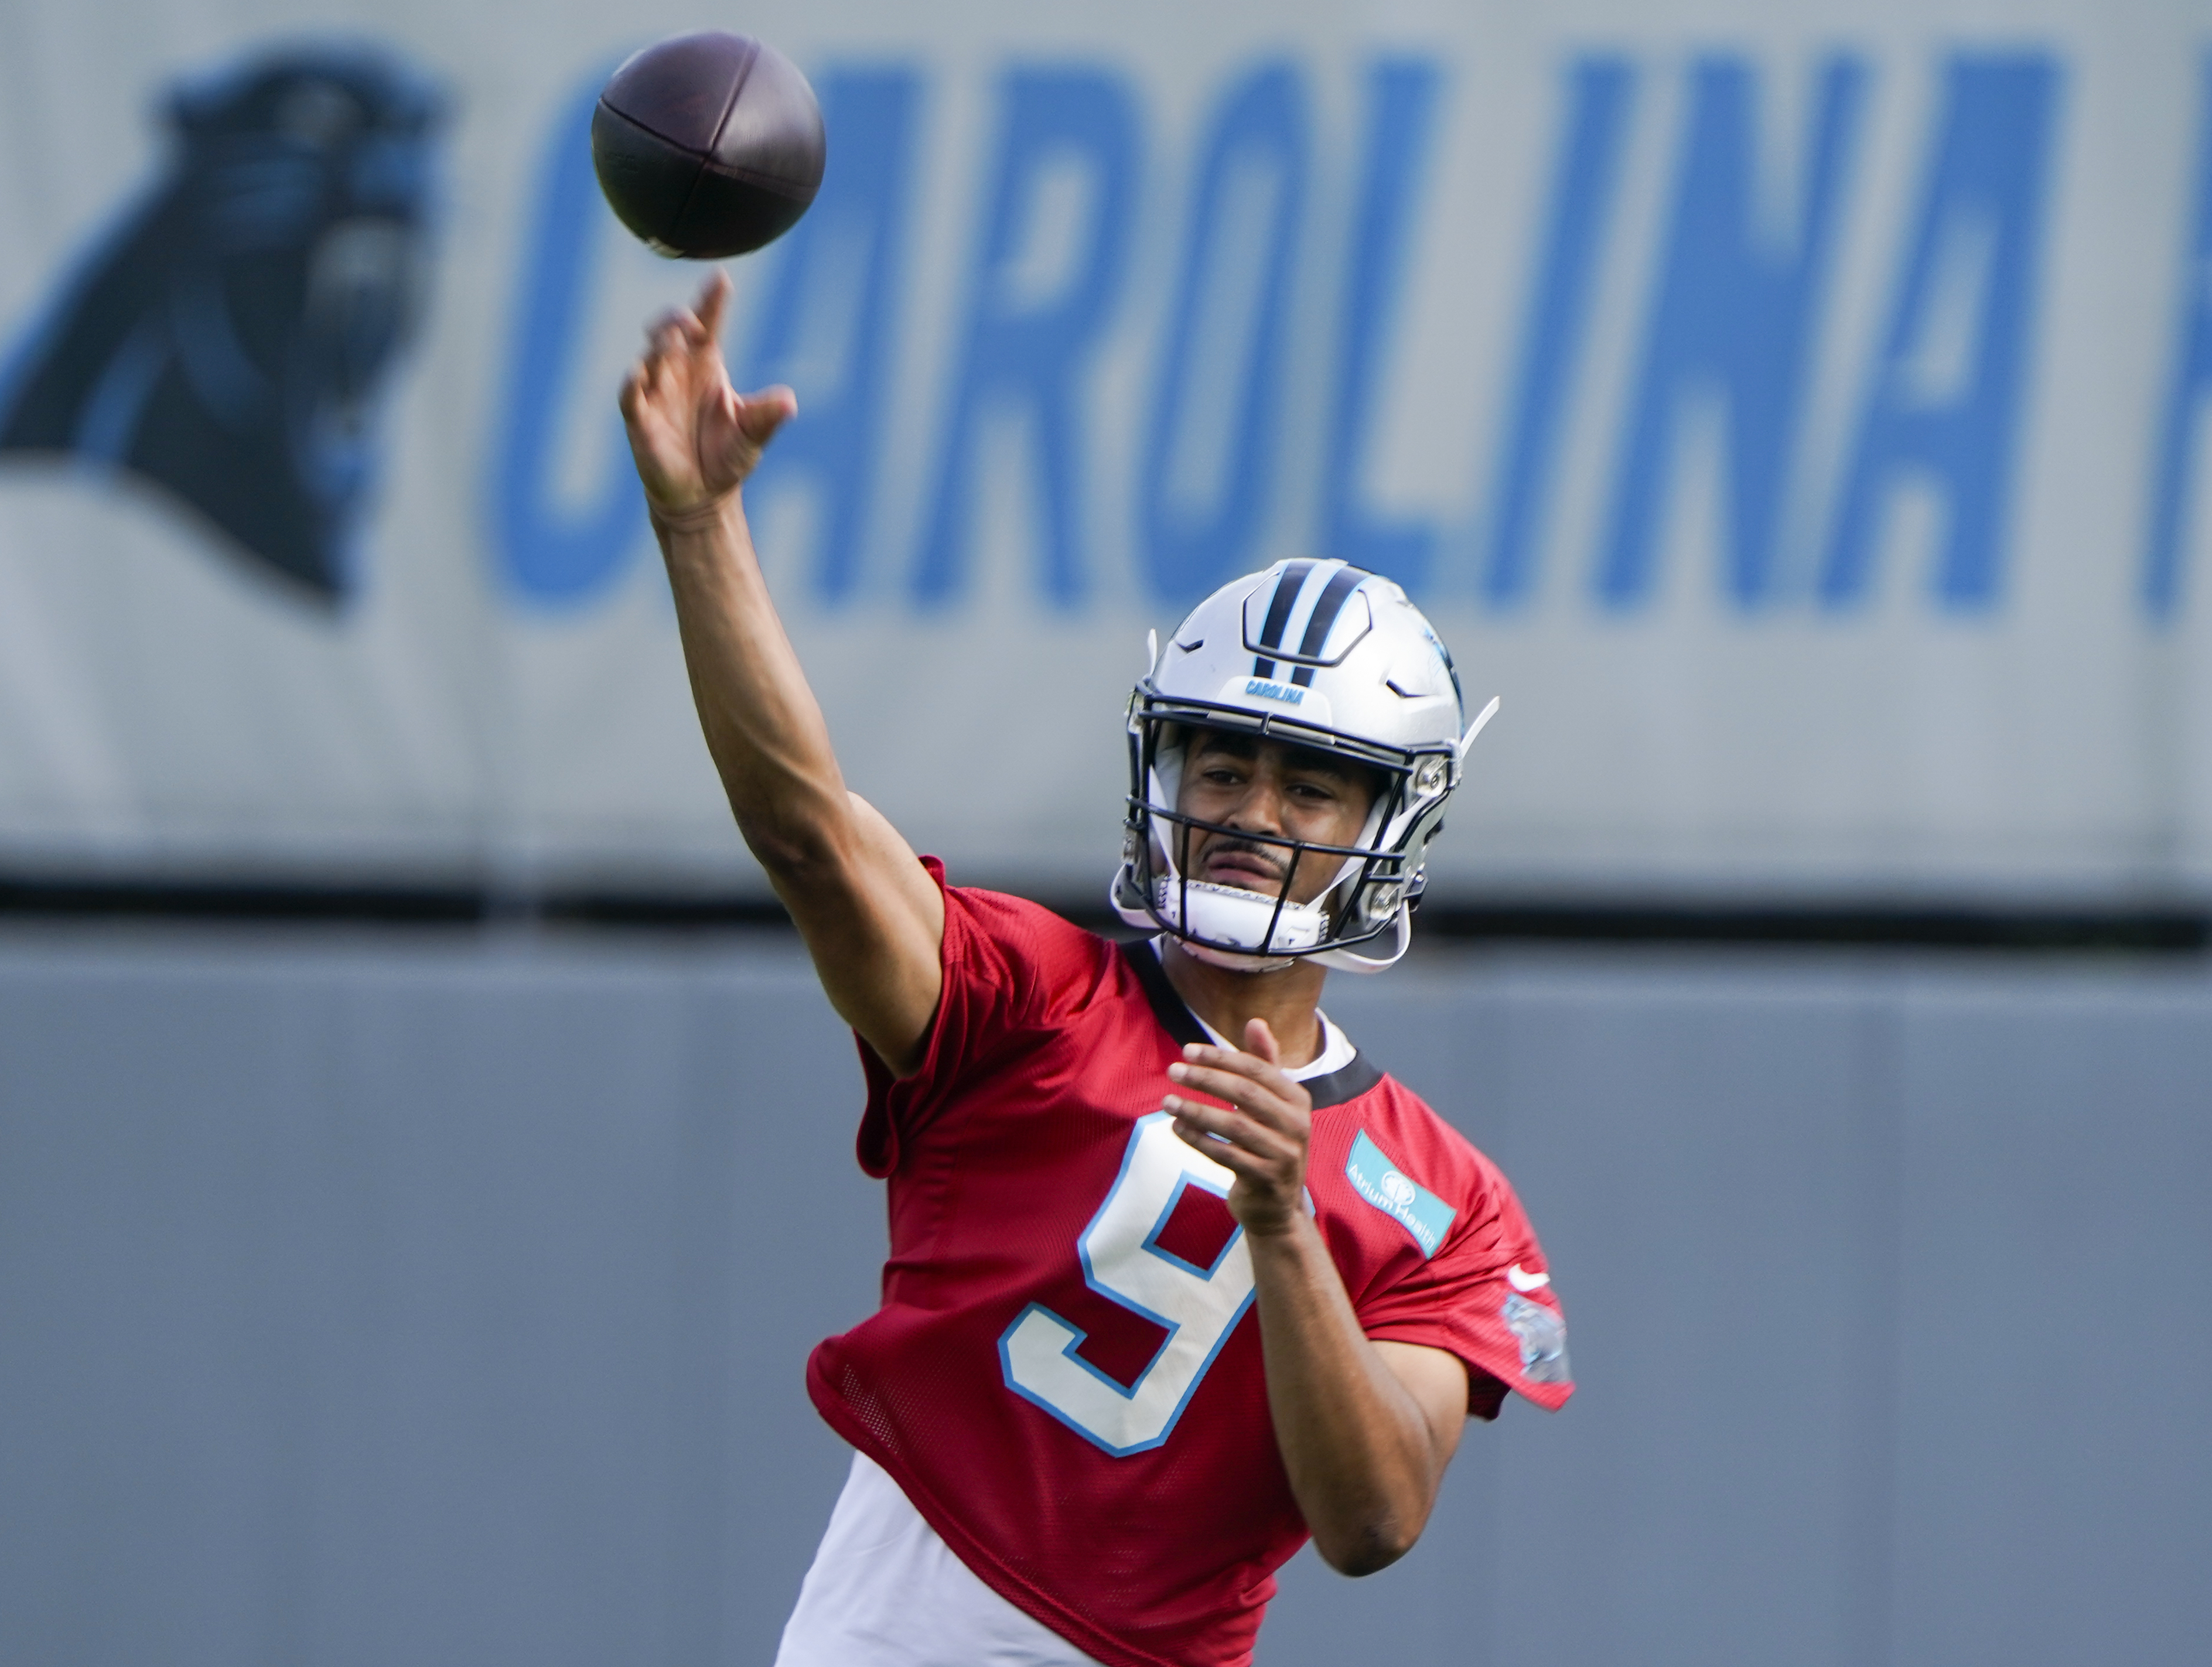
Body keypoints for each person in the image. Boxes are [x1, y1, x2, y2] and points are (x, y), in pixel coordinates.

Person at [618, 275, 1572, 1667]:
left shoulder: (1446, 1201)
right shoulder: (1030, 996)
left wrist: (1282, 1218)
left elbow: (1371, 1519)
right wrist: (698, 527)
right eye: (1223, 765)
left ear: (1387, 830)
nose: (1249, 813)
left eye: (1309, 789)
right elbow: (810, 837)